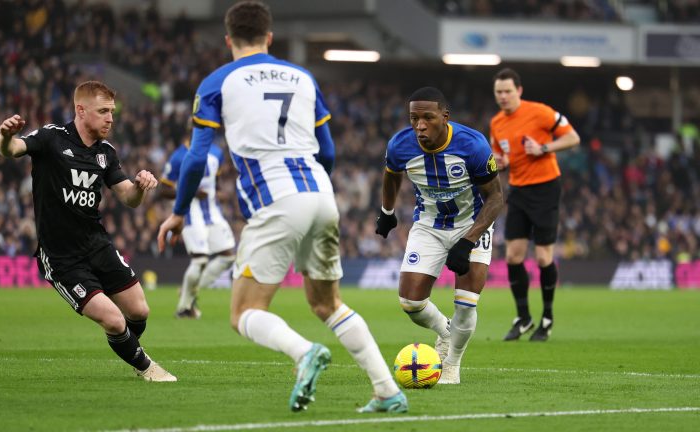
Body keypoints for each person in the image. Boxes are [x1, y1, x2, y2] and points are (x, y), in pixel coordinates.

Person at [157, 1, 406, 413]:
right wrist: (317, 187)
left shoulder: (217, 82)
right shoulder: (303, 77)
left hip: (275, 199)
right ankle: (387, 390)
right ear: (269, 37)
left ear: (228, 39)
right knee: (328, 303)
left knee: (244, 312)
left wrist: (180, 211)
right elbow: (327, 149)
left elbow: (197, 158)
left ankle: (305, 352)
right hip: (321, 196)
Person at [0, 81, 176, 382]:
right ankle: (146, 367)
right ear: (81, 110)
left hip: (97, 245)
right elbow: (12, 149)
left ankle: (126, 346)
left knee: (139, 311)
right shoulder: (51, 138)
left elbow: (128, 198)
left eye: (112, 112)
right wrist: (5, 136)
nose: (110, 118)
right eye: (103, 111)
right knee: (114, 319)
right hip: (62, 257)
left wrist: (140, 186)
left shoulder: (106, 152)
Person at [375, 87, 504, 385]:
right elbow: (391, 174)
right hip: (429, 224)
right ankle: (446, 331)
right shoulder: (399, 146)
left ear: (445, 117)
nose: (420, 125)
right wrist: (387, 211)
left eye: (428, 118)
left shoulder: (472, 145)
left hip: (471, 224)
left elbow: (496, 198)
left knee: (466, 301)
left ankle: (451, 365)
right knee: (410, 302)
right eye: (414, 118)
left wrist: (468, 240)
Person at [490, 68, 580, 342]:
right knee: (513, 257)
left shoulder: (540, 112)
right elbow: (499, 155)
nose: (503, 96)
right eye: (498, 92)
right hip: (518, 189)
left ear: (519, 90)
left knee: (543, 257)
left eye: (507, 91)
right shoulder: (496, 123)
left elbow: (573, 138)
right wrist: (501, 163)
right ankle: (523, 317)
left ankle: (547, 318)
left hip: (546, 188)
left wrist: (543, 149)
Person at [159, 137, 236, 319]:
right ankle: (184, 308)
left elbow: (214, 182)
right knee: (200, 260)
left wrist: (218, 193)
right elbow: (164, 190)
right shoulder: (179, 156)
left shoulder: (216, 152)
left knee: (229, 257)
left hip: (213, 212)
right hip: (190, 213)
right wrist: (190, 192)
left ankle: (189, 290)